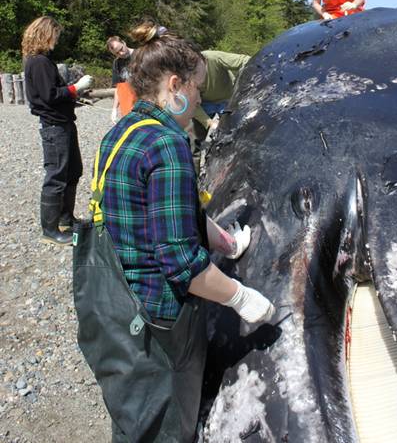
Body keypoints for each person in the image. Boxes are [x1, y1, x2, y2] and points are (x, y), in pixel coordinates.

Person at [92, 22, 275, 442]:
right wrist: (241, 297)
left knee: (137, 407)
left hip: (118, 298)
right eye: (195, 87)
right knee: (171, 413)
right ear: (174, 83)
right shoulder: (167, 144)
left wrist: (227, 242)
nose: (197, 98)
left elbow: (162, 211)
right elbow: (179, 263)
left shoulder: (122, 132)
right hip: (161, 311)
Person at [22, 16, 93, 245]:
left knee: (73, 170)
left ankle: (66, 219)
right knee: (56, 176)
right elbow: (49, 95)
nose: (57, 39)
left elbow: (54, 92)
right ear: (45, 34)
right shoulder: (38, 62)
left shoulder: (42, 61)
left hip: (63, 123)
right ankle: (50, 229)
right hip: (54, 126)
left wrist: (74, 94)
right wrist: (75, 88)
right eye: (55, 35)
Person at [106, 36, 136, 123]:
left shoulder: (141, 55)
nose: (121, 53)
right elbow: (118, 87)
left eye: (121, 49)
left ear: (124, 43)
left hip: (145, 105)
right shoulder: (117, 63)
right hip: (127, 107)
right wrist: (114, 108)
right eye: (117, 53)